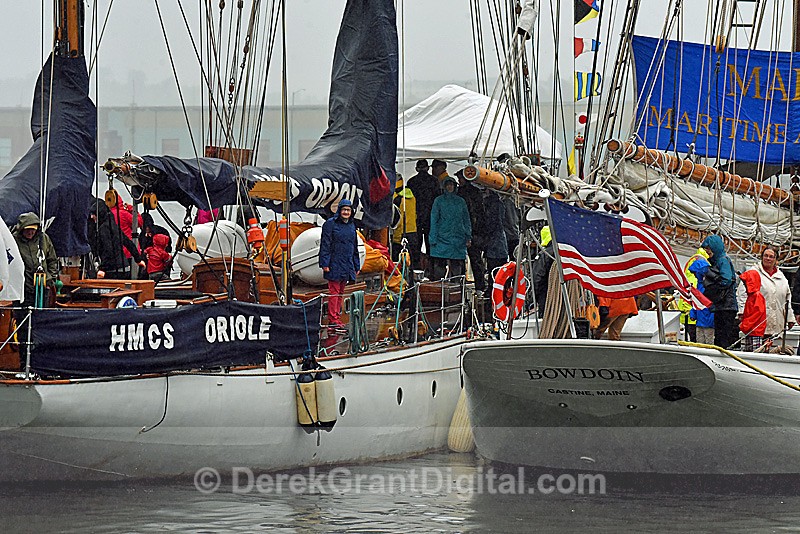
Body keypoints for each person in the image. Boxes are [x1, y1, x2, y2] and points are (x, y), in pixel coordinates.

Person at [319, 199, 360, 329]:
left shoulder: (352, 225)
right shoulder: (330, 224)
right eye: (344, 210)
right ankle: (333, 318)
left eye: (348, 210)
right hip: (334, 262)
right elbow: (325, 244)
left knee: (341, 291)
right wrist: (324, 263)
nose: (346, 212)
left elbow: (354, 247)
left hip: (347, 263)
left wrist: (356, 265)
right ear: (339, 211)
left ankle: (337, 315)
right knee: (334, 291)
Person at [736, 246, 792, 341]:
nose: (768, 259)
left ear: (776, 260)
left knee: (774, 350)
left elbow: (787, 299)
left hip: (777, 322)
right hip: (756, 322)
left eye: (771, 256)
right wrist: (741, 312)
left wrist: (790, 318)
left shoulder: (781, 277)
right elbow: (742, 294)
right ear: (761, 257)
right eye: (766, 256)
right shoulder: (752, 273)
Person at [11, 212, 59, 308]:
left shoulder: (44, 239)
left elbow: (52, 260)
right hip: (22, 289)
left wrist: (51, 279)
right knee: (22, 315)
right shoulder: (13, 241)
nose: (30, 232)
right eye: (27, 230)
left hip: (42, 287)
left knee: (42, 316)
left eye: (33, 230)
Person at [88, 200, 145, 280]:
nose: (91, 217)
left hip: (113, 270)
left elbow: (108, 249)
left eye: (93, 214)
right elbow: (128, 242)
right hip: (125, 268)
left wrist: (102, 269)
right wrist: (138, 259)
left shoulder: (103, 229)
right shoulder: (114, 226)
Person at [429, 176, 471, 280]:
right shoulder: (438, 201)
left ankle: (456, 291)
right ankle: (438, 290)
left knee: (457, 268)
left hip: (458, 239)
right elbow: (433, 220)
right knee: (439, 268)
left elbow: (466, 219)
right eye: (447, 185)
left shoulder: (461, 201)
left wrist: (468, 236)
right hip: (441, 239)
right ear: (444, 187)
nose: (449, 187)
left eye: (451, 185)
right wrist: (432, 238)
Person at [700, 235, 739, 349]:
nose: (707, 251)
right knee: (720, 337)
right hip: (723, 305)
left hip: (726, 306)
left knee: (722, 337)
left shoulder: (722, 260)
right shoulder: (719, 261)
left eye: (708, 248)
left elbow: (726, 279)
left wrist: (713, 282)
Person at [406, 159, 440, 273]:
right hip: (431, 217)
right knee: (431, 246)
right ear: (428, 168)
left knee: (416, 246)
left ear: (416, 168)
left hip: (416, 218)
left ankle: (416, 270)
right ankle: (431, 271)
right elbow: (437, 200)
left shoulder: (411, 182)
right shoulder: (434, 181)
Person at [457, 170, 487, 294]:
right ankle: (480, 285)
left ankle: (461, 286)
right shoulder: (477, 192)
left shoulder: (462, 193)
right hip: (476, 230)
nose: (459, 181)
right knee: (476, 260)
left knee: (467, 259)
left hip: (469, 230)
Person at [678, 248, 711, 342]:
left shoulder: (690, 279)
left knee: (700, 343)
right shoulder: (702, 283)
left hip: (694, 318)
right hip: (698, 320)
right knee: (705, 342)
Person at [687, 250, 715, 344]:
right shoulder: (700, 286)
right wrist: (693, 313)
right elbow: (696, 302)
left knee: (708, 343)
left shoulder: (708, 286)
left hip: (707, 322)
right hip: (701, 321)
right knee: (701, 343)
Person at [391, 175, 417, 263]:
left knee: (398, 262)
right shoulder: (412, 196)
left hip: (401, 234)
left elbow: (396, 220)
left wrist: (396, 238)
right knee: (412, 261)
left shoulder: (397, 198)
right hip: (413, 232)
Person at [739, 269, 767, 352]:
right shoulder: (752, 296)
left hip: (755, 331)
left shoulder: (757, 296)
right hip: (751, 330)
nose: (744, 285)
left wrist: (744, 325)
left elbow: (756, 315)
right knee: (749, 351)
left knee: (754, 352)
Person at [530, 225, 554, 319]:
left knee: (546, 319)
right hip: (564, 298)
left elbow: (537, 277)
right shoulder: (565, 251)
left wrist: (532, 298)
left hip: (546, 296)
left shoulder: (545, 254)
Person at [483, 190, 508, 273]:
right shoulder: (501, 204)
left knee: (493, 267)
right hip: (499, 239)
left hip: (494, 239)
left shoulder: (491, 205)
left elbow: (493, 222)